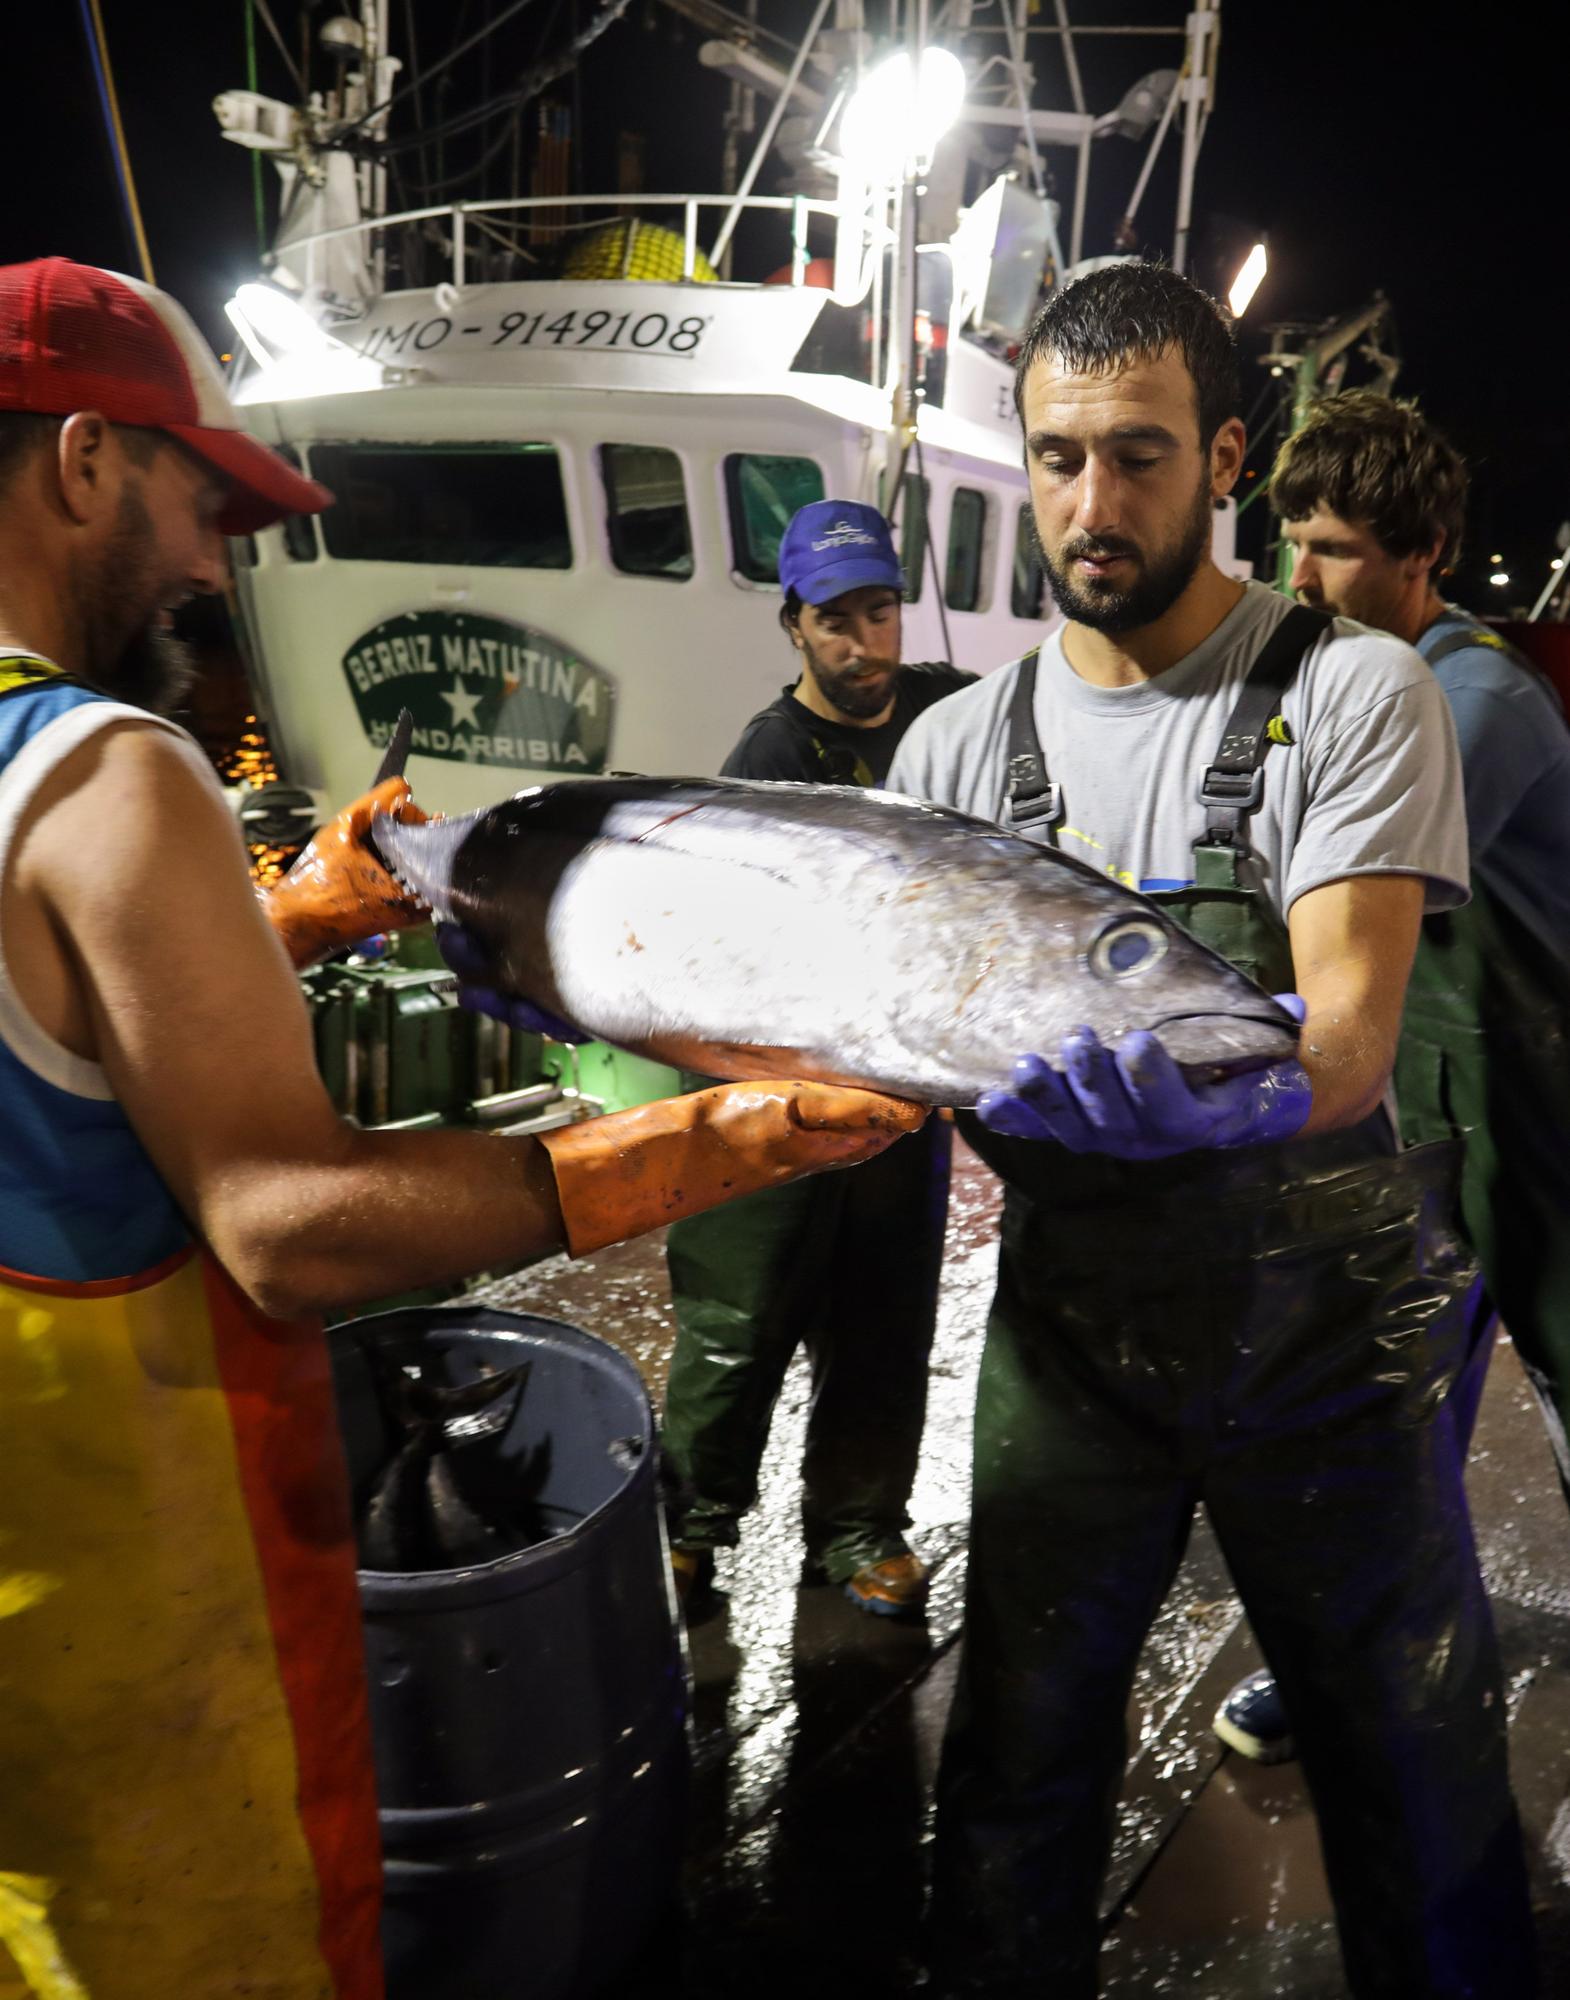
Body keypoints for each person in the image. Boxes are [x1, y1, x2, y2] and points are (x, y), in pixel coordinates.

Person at [0, 258, 923, 1999]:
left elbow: (47, 1021)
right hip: (154, 1618)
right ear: (81, 464)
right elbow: (292, 1223)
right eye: (203, 500)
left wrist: (283, 920)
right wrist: (697, 1146)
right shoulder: (113, 770)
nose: (215, 562)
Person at [885, 265, 1537, 1997]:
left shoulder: (1351, 697)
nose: (1093, 508)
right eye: (1058, 460)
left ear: (1229, 455)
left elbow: (1340, 1044)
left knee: (1409, 1750)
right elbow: (877, 1037)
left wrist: (1172, 1096)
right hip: (1070, 1329)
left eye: (1143, 458)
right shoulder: (952, 752)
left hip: (1320, 1335)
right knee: (1017, 1759)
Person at [1213, 390, 1570, 1766]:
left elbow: (1323, 886)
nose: (1298, 579)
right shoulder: (1349, 685)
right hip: (1422, 1112)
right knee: (1376, 1409)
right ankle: (1336, 1671)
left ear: (1418, 554)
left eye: (1335, 549)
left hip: (1541, 1116)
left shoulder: (1480, 703)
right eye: (1289, 542)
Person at [659, 500, 974, 1615]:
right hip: (772, 1084)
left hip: (899, 1083)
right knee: (739, 1317)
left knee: (888, 1318)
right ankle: (689, 1525)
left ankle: (856, 1527)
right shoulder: (768, 756)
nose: (864, 643)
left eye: (879, 611)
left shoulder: (946, 705)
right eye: (835, 620)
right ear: (793, 625)